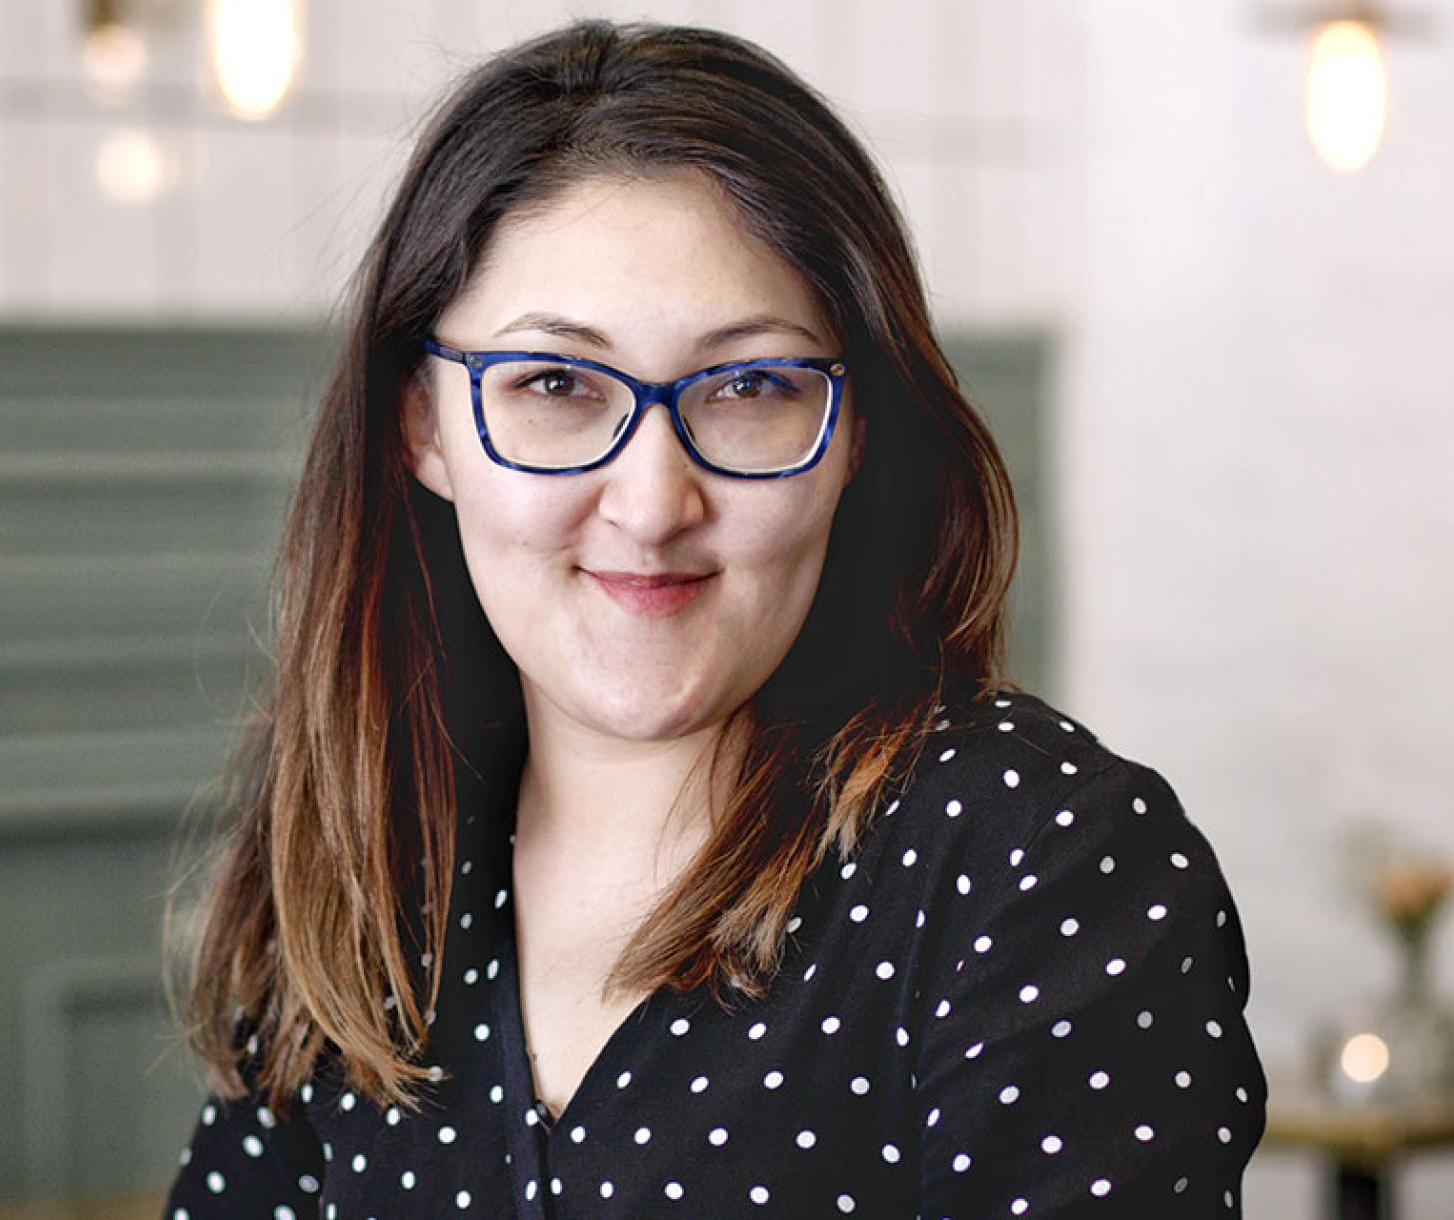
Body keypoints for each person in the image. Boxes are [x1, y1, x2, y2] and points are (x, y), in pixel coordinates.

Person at [161, 18, 1267, 1219]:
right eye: (554, 385)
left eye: (748, 387)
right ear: (421, 426)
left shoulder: (1033, 860)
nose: (651, 504)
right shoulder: (366, 869)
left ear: (853, 433)